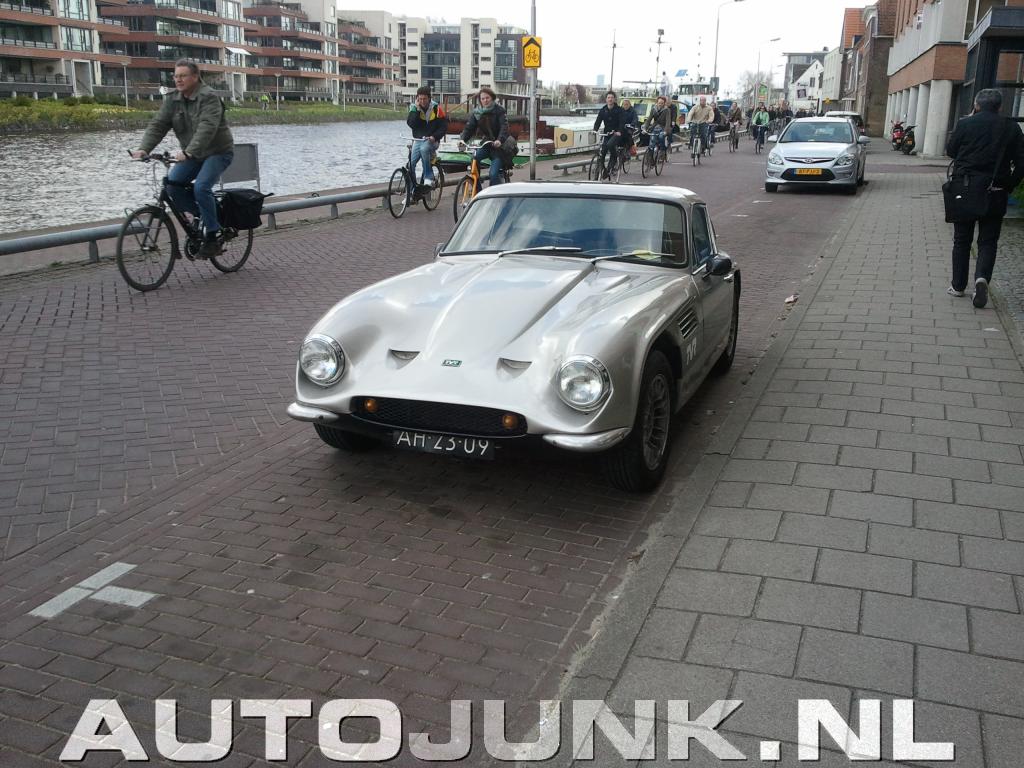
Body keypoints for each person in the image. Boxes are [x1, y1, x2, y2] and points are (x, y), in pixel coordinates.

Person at [132, 59, 234, 258]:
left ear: (195, 77)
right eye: (176, 76)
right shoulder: (173, 100)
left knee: (201, 187)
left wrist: (188, 152)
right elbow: (158, 125)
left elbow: (207, 128)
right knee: (172, 185)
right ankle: (204, 216)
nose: (178, 80)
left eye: (183, 76)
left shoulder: (209, 97)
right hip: (193, 154)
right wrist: (144, 149)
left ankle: (212, 237)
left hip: (217, 152)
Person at [945, 88, 1024, 308]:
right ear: (1000, 106)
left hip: (965, 189)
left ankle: (958, 286)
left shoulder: (965, 124)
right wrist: (1009, 185)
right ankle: (981, 278)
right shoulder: (1011, 127)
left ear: (976, 105)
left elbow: (951, 151)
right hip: (996, 190)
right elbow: (1021, 162)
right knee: (988, 240)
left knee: (962, 239)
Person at [459, 86, 510, 187]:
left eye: (487, 98)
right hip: (487, 143)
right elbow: (469, 128)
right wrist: (462, 139)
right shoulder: (477, 112)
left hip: (500, 147)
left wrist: (499, 140)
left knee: (493, 174)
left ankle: (495, 193)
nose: (485, 100)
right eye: (482, 98)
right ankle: (478, 190)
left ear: (492, 98)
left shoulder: (499, 110)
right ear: (480, 100)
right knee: (475, 159)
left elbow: (504, 127)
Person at [406, 85, 447, 188]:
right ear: (417, 99)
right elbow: (411, 124)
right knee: (410, 164)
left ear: (429, 98)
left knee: (424, 149)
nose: (422, 101)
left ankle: (428, 176)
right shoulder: (414, 108)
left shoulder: (437, 109)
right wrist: (417, 110)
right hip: (418, 140)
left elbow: (443, 127)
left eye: (424, 99)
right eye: (420, 99)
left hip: (433, 140)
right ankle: (412, 191)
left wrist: (434, 137)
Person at [593, 90, 625, 178]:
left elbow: (622, 122)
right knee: (602, 151)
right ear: (606, 99)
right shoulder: (603, 110)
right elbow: (598, 121)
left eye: (612, 98)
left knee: (610, 145)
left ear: (614, 99)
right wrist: (595, 130)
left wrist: (619, 131)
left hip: (616, 133)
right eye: (608, 98)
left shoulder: (619, 110)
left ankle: (614, 159)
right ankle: (601, 170)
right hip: (607, 133)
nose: (610, 99)